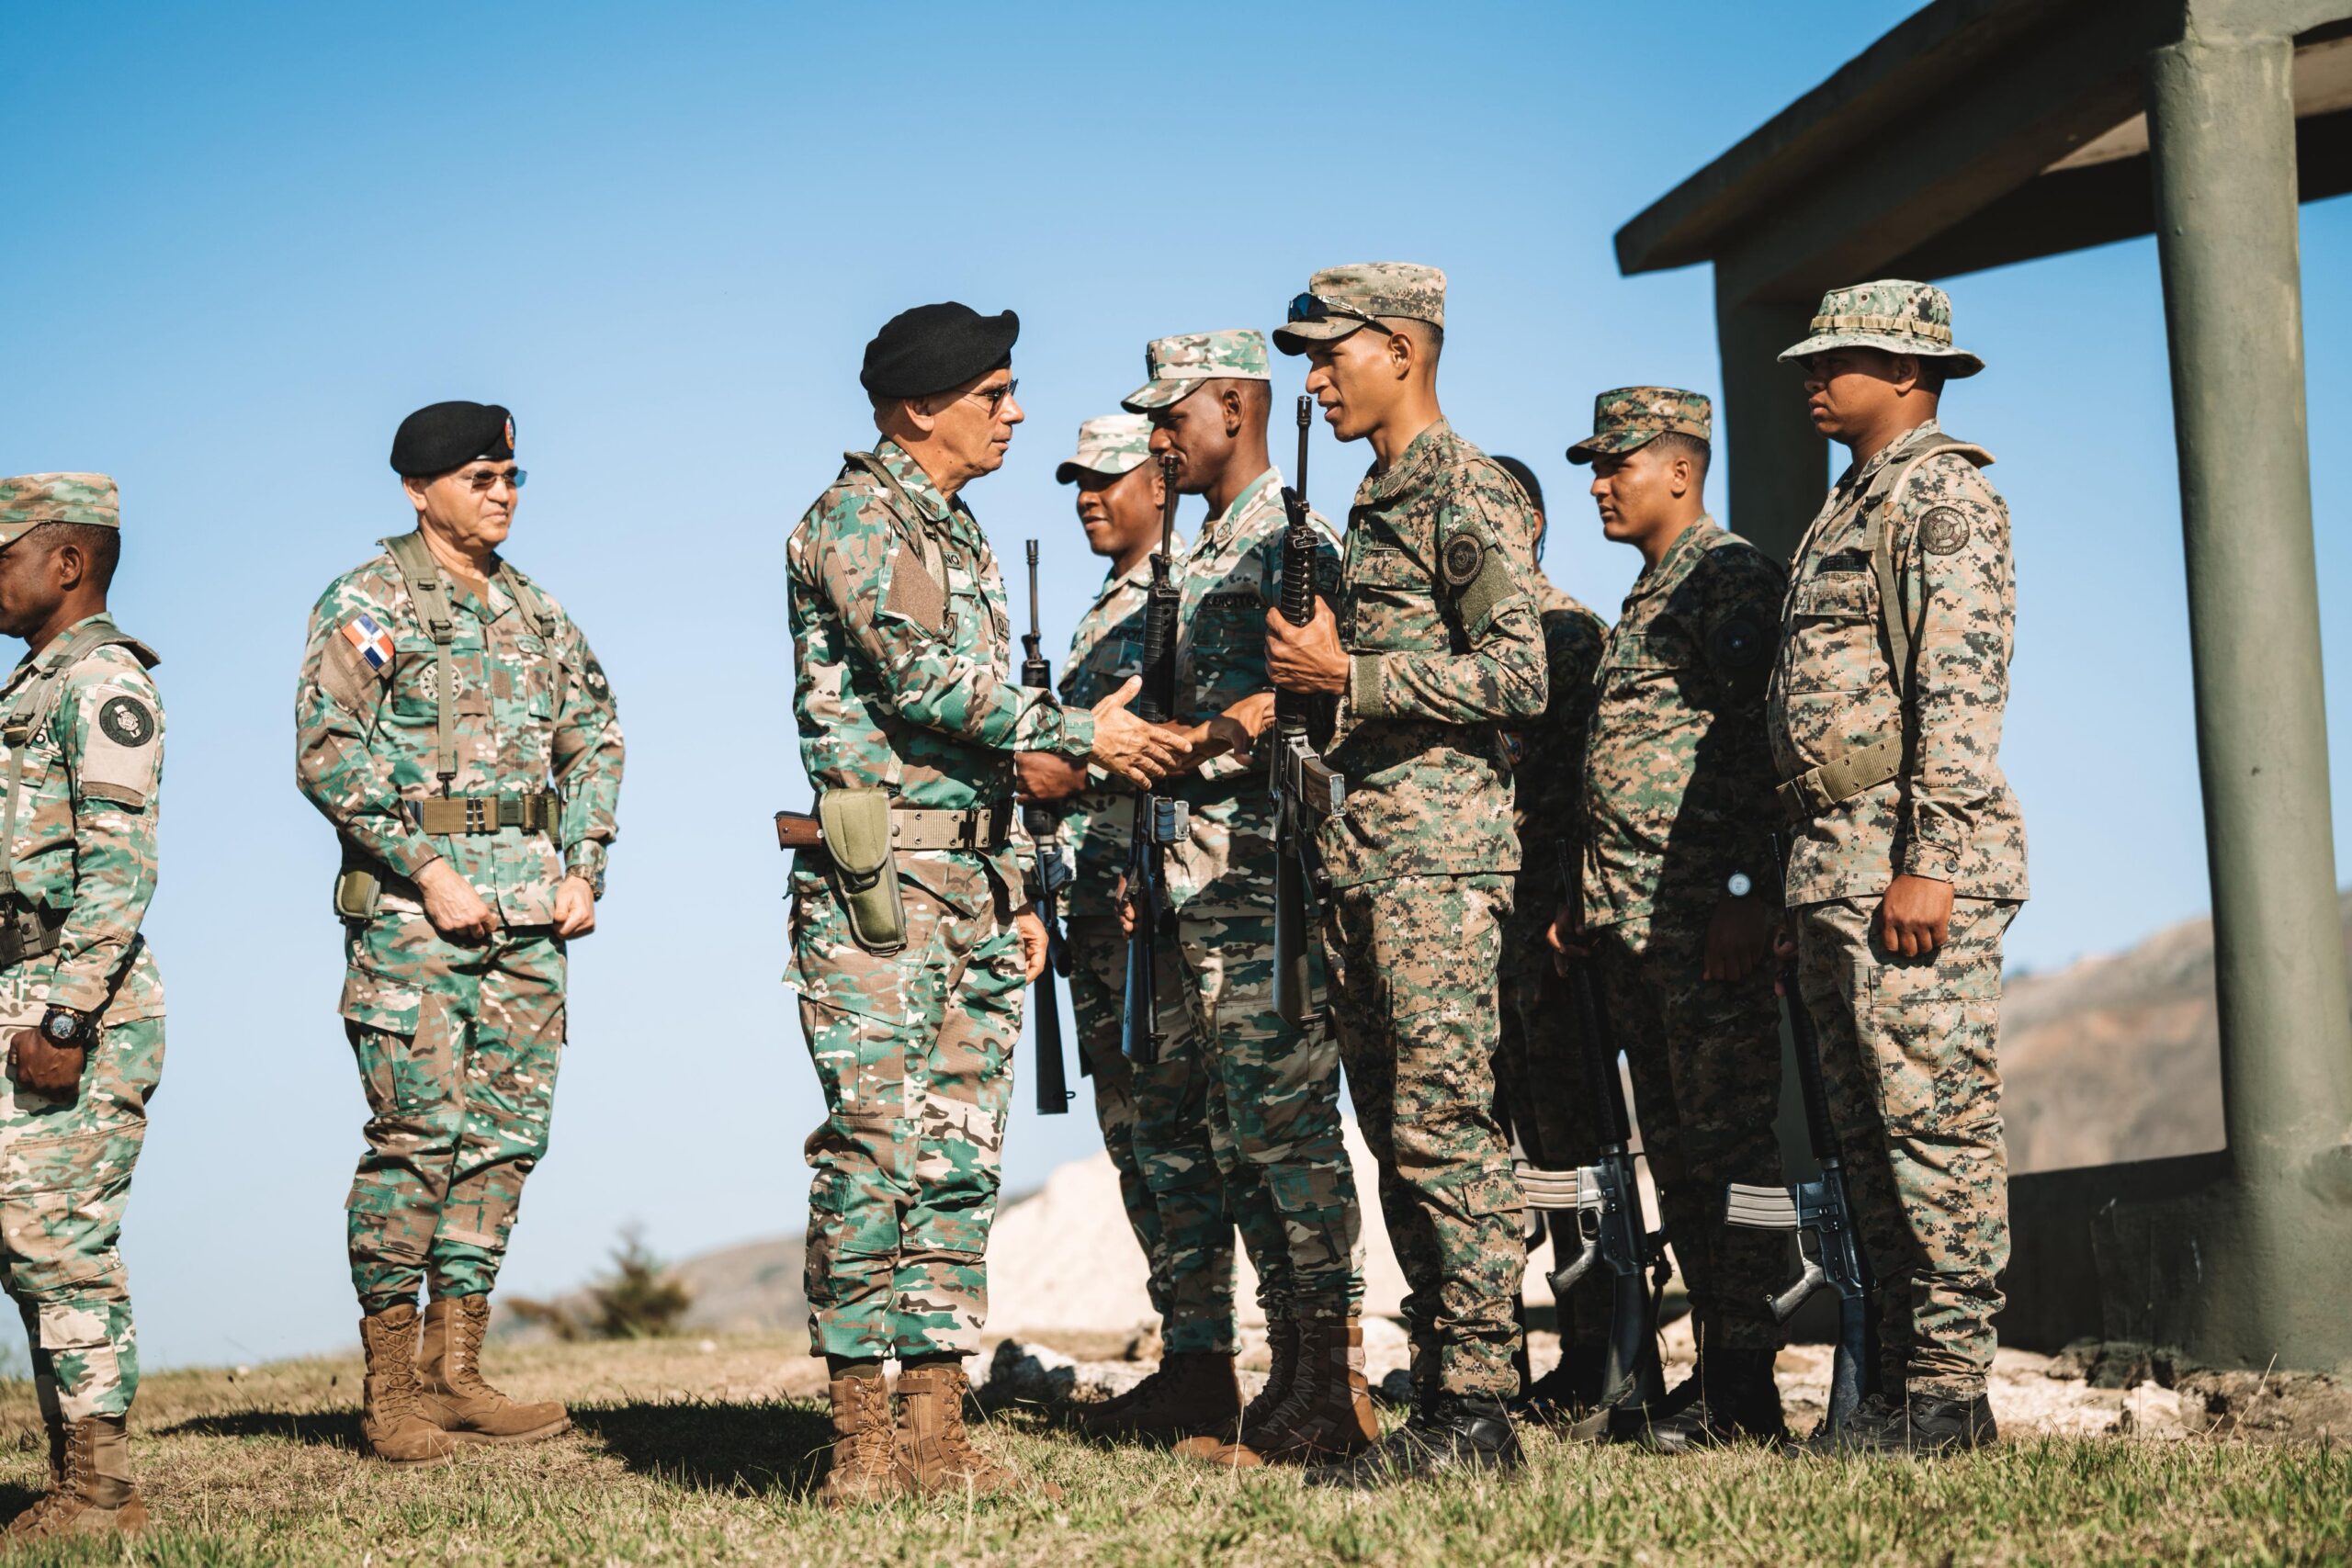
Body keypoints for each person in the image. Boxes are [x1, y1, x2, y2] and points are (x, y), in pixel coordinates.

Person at [786, 302, 1186, 1506]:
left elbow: (976, 752)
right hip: (883, 882)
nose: (1015, 414)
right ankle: (861, 1439)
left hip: (969, 880)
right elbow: (919, 679)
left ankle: (935, 1426)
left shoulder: (954, 529)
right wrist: (1080, 731)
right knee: (875, 1148)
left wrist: (1015, 885)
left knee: (958, 1152)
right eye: (994, 394)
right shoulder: (857, 519)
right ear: (922, 406)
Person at [296, 401, 623, 1464]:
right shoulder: (368, 602)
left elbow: (596, 738)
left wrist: (583, 866)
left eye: (512, 476)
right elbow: (328, 750)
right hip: (415, 917)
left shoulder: (535, 611)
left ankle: (455, 1372)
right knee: (417, 1137)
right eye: (481, 477)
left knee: (503, 1142)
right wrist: (427, 870)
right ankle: (391, 1390)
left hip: (530, 918)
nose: (503, 494)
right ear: (417, 488)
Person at [1266, 265, 1549, 1484]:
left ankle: (1480, 1410)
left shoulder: (1463, 487)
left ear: (1400, 347)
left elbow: (1523, 676)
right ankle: (1440, 1394)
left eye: (1330, 354)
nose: (1314, 379)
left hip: (1439, 863)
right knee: (1395, 1134)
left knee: (1444, 1129)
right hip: (1367, 861)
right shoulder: (1373, 499)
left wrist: (1351, 678)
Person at [1768, 281, 2027, 1454]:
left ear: (1911, 372)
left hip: (1905, 861)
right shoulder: (1849, 503)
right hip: (1835, 859)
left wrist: (1931, 861)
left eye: (1839, 360)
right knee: (1869, 1141)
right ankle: (1895, 1388)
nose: (1813, 378)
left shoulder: (1941, 497)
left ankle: (1950, 1394)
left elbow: (1959, 694)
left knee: (1935, 1128)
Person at [1108, 330, 1369, 1464]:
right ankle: (1289, 1380)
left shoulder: (1289, 541)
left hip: (1264, 879)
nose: (1159, 442)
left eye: (1173, 418)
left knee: (1290, 1129)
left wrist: (1206, 737)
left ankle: (1336, 1384)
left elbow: (1307, 695)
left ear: (1233, 405)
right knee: (1238, 1137)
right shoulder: (1205, 547)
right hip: (1195, 884)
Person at [1548, 389, 1791, 1450]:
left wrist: (1747, 892)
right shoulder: (1652, 593)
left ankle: (1748, 1384)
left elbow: (1763, 741)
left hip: (1705, 926)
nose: (1599, 486)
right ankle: (1719, 1380)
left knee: (1731, 1154)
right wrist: (1585, 895)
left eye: (1617, 465)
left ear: (1680, 470)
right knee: (1682, 1157)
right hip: (1639, 926)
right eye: (1594, 468)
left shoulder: (1728, 576)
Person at [1015, 415, 1232, 1438]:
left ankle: (1210, 1359)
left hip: (1159, 908)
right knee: (1136, 1141)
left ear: (1159, 482)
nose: (1087, 498)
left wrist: (1078, 773)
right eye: (1076, 482)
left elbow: (1186, 750)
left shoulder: (1181, 597)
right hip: (1096, 908)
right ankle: (1188, 1352)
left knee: (1181, 1138)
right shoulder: (1101, 611)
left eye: (1107, 479)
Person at [0, 475, 164, 1538]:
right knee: (21, 1240)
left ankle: (101, 1489)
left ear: (67, 563)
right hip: (18, 980)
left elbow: (119, 869)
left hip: (72, 990)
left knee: (57, 1240)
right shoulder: (33, 684)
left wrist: (66, 1019)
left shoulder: (103, 682)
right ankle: (75, 1475)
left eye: (3, 554)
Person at [1482, 455, 1610, 1424]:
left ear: (1524, 524)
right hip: (1488, 938)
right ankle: (1521, 1359)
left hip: (1553, 935)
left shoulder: (1566, 635)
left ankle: (1601, 1349)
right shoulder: (1479, 643)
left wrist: (1571, 907)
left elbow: (1583, 797)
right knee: (1512, 1151)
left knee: (1572, 1145)